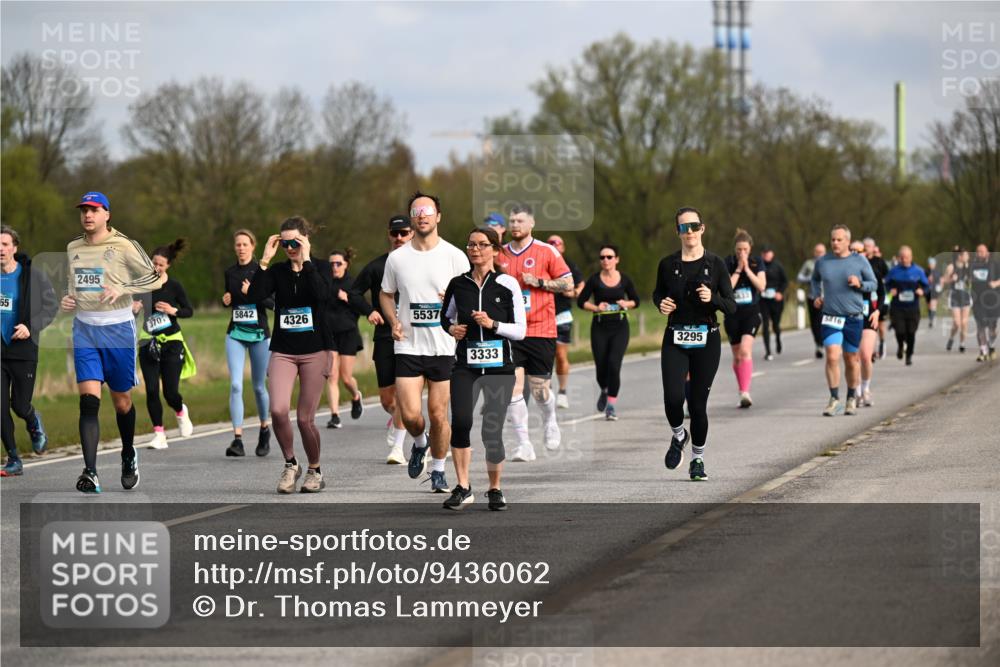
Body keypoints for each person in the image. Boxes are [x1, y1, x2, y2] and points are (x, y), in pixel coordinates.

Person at [61, 191, 165, 493]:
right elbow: (75, 285)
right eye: (83, 210)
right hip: (85, 330)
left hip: (118, 329)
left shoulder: (124, 245)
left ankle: (128, 452)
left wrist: (122, 287)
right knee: (89, 400)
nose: (87, 215)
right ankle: (90, 472)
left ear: (107, 214)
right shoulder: (73, 247)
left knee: (122, 402)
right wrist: (70, 299)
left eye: (94, 210)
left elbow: (155, 279)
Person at [380, 192, 470, 493]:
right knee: (409, 415)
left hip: (444, 347)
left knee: (438, 414)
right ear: (412, 217)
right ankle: (419, 443)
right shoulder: (397, 258)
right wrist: (393, 320)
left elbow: (470, 294)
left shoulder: (455, 256)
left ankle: (439, 470)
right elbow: (385, 293)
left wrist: (455, 301)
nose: (422, 216)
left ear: (438, 217)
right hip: (408, 344)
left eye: (428, 211)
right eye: (417, 211)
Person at [440, 227, 526, 510]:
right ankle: (463, 487)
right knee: (461, 421)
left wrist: (493, 325)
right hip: (466, 365)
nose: (475, 249)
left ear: (495, 249)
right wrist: (453, 328)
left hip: (500, 366)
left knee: (492, 429)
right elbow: (446, 317)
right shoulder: (458, 284)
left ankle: (495, 488)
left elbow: (521, 331)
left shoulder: (507, 284)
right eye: (471, 244)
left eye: (482, 244)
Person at [247, 216, 330, 494]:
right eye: (285, 244)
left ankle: (315, 469)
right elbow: (256, 295)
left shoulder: (319, 268)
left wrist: (306, 262)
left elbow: (322, 296)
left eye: (295, 242)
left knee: (305, 419)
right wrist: (265, 261)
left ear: (305, 240)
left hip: (314, 351)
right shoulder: (277, 271)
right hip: (283, 350)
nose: (290, 247)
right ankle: (290, 463)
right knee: (278, 410)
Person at [655, 207, 736, 481]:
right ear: (677, 231)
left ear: (703, 228)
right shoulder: (667, 264)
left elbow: (731, 305)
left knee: (698, 405)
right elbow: (658, 293)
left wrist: (712, 298)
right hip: (676, 336)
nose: (688, 232)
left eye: (693, 226)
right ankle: (679, 435)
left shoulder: (716, 264)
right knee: (673, 398)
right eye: (683, 227)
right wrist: (661, 304)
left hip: (707, 338)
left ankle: (698, 460)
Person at [498, 204, 573, 461]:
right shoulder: (500, 255)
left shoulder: (546, 251)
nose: (515, 225)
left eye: (519, 220)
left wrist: (540, 282)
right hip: (511, 332)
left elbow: (568, 283)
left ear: (532, 224)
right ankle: (524, 444)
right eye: (511, 221)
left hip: (541, 329)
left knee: (540, 389)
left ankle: (550, 420)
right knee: (513, 388)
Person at [351, 215, 413, 464]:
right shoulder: (378, 266)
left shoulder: (423, 263)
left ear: (412, 234)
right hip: (385, 336)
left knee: (403, 393)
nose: (399, 238)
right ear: (389, 235)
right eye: (395, 233)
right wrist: (370, 311)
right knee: (388, 399)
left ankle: (398, 447)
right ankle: (417, 430)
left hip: (413, 337)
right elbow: (354, 292)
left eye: (404, 233)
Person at [1, 226, 57, 477]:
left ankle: (33, 420)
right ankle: (13, 459)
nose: (0, 249)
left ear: (15, 247)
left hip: (23, 351)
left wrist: (30, 326)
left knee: (19, 405)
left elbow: (51, 307)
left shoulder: (32, 275)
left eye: (4, 244)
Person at [134, 239, 196, 449]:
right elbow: (132, 309)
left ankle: (180, 411)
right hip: (147, 342)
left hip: (171, 343)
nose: (156, 267)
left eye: (161, 264)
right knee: (151, 390)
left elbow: (189, 311)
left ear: (168, 265)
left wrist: (173, 311)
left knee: (170, 392)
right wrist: (134, 307)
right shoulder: (142, 285)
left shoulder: (174, 286)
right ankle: (159, 434)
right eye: (154, 263)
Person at [810, 224, 877, 416]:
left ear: (848, 241)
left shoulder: (860, 261)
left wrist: (860, 284)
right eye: (833, 239)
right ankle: (834, 399)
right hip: (830, 316)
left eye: (839, 239)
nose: (835, 243)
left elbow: (873, 284)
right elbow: (814, 280)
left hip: (853, 317)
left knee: (851, 359)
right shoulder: (823, 262)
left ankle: (850, 397)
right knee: (832, 355)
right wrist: (816, 296)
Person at [222, 229, 273, 457]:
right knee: (235, 385)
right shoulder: (230, 272)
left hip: (259, 335)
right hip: (235, 333)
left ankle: (264, 428)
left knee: (259, 386)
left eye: (245, 244)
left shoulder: (261, 271)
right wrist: (226, 300)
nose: (241, 248)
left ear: (253, 246)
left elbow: (273, 303)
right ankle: (238, 439)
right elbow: (230, 298)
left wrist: (252, 292)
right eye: (238, 244)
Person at [577, 244, 640, 420]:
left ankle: (611, 406)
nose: (605, 260)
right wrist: (596, 307)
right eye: (602, 257)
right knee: (601, 366)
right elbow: (581, 302)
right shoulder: (594, 280)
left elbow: (636, 301)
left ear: (616, 259)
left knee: (614, 364)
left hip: (620, 327)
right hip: (599, 326)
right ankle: (604, 389)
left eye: (609, 257)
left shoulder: (625, 279)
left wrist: (626, 304)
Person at [324, 248, 367, 429]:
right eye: (331, 264)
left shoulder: (353, 284)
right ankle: (335, 416)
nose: (334, 267)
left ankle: (356, 396)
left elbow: (364, 307)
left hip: (348, 333)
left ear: (346, 265)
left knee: (346, 378)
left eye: (338, 263)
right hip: (330, 335)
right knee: (332, 376)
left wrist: (348, 298)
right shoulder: (324, 283)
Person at [723, 229, 766, 408]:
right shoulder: (727, 262)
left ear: (750, 249)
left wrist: (748, 269)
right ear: (735, 249)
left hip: (751, 313)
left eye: (745, 250)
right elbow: (727, 288)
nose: (742, 253)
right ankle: (741, 389)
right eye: (739, 250)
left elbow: (761, 286)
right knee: (737, 356)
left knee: (745, 351)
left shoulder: (757, 263)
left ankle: (745, 392)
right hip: (732, 314)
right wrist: (739, 269)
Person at [546, 235, 584, 410]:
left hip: (562, 315)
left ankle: (562, 391)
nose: (554, 245)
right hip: (543, 315)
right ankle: (550, 391)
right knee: (545, 357)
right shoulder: (542, 263)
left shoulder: (568, 263)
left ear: (563, 247)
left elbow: (581, 283)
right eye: (550, 243)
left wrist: (575, 292)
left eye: (557, 243)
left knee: (560, 356)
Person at [850, 240, 884, 407]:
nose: (856, 253)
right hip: (851, 316)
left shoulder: (872, 271)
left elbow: (882, 294)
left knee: (865, 355)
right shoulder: (845, 271)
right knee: (853, 357)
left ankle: (866, 388)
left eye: (859, 250)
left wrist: (878, 312)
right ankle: (855, 392)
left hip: (869, 316)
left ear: (865, 253)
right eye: (852, 250)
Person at [884, 245, 929, 366]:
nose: (904, 260)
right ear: (899, 258)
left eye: (907, 257)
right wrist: (890, 291)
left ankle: (909, 355)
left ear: (911, 257)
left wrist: (922, 291)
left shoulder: (918, 271)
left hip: (912, 307)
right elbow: (886, 284)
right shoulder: (893, 271)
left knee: (911, 333)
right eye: (902, 257)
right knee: (900, 331)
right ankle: (900, 346)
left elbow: (926, 286)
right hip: (897, 307)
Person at [970, 244, 1000, 361]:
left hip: (993, 300)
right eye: (978, 252)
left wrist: (996, 284)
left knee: (992, 328)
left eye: (982, 251)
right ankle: (983, 351)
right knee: (980, 326)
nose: (980, 254)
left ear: (987, 253)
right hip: (978, 300)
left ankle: (991, 347)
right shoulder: (972, 265)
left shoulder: (995, 264)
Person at [758, 245, 788, 360]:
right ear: (762, 254)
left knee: (775, 325)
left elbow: (785, 281)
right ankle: (768, 351)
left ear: (772, 254)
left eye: (768, 252)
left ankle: (778, 338)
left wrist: (780, 292)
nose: (766, 255)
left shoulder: (778, 266)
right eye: (764, 253)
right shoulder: (759, 266)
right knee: (765, 324)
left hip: (776, 300)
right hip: (763, 300)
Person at [797, 243, 827, 359]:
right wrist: (810, 278)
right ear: (814, 252)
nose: (819, 254)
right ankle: (818, 344)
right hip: (812, 297)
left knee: (822, 321)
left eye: (821, 252)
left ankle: (823, 343)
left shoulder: (829, 263)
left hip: (827, 297)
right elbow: (799, 277)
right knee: (814, 323)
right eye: (817, 252)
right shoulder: (809, 264)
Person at [864, 239, 891, 359]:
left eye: (869, 246)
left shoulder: (879, 262)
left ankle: (882, 342)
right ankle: (871, 349)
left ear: (874, 248)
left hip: (878, 297)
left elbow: (888, 277)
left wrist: (880, 282)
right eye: (865, 246)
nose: (866, 248)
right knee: (868, 324)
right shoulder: (859, 261)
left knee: (880, 324)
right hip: (865, 299)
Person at [943, 248, 972, 353]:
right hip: (954, 296)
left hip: (965, 296)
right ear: (960, 256)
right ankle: (951, 338)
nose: (968, 257)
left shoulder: (968, 266)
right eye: (966, 255)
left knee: (964, 322)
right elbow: (944, 280)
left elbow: (972, 280)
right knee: (957, 323)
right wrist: (951, 279)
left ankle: (962, 343)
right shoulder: (951, 267)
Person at [925, 256, 940, 329]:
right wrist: (927, 279)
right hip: (928, 290)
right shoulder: (925, 271)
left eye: (932, 264)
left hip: (935, 290)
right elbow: (923, 280)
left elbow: (940, 281)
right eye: (930, 264)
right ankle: (931, 317)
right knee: (929, 306)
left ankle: (932, 320)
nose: (931, 265)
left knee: (933, 304)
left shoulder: (937, 271)